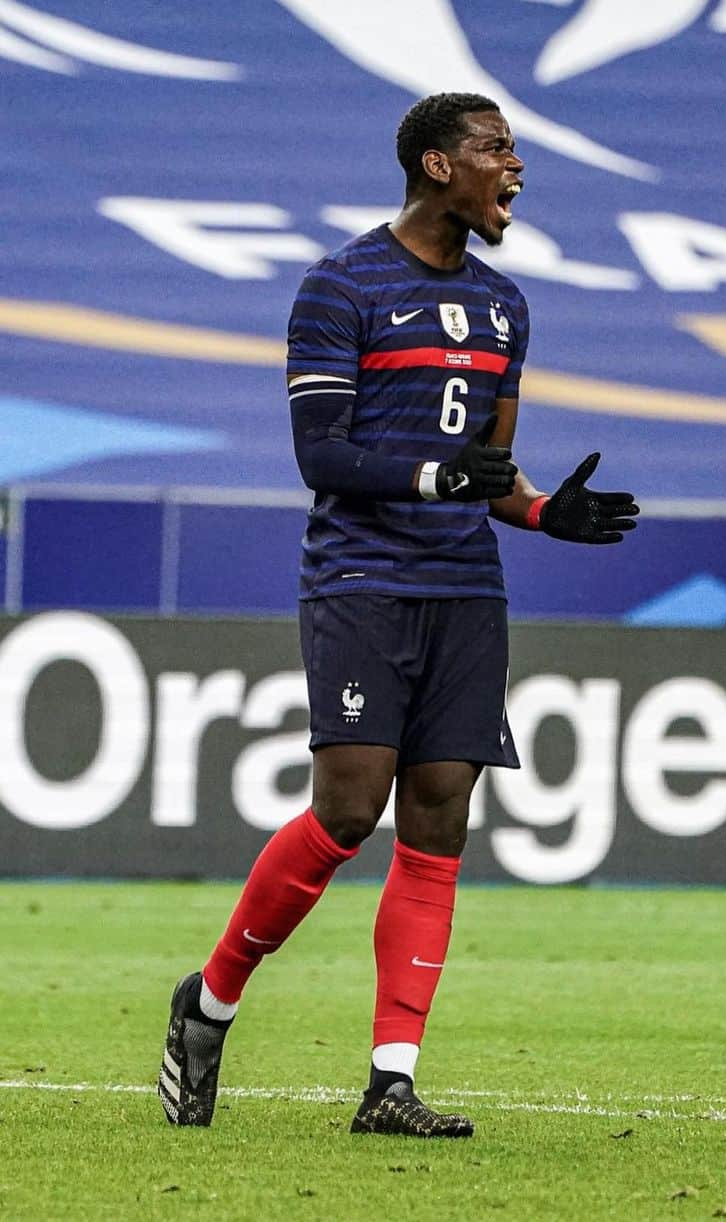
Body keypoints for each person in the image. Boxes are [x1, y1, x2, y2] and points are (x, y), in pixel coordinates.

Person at [158, 92, 639, 1138]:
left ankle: (391, 1080)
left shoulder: (507, 305)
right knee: (346, 810)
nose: (515, 166)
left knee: (438, 816)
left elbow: (490, 477)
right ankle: (210, 1001)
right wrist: (438, 479)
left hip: (465, 587)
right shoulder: (341, 286)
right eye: (494, 149)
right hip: (363, 577)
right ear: (435, 165)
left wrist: (554, 513)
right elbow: (320, 456)